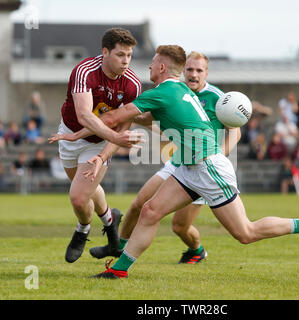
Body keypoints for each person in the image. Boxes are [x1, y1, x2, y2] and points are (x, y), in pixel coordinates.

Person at [52, 45, 299, 280]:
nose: (148, 68)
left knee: (246, 233)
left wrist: (77, 130)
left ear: (162, 67)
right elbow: (135, 118)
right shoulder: (179, 91)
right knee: (150, 210)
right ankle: (119, 270)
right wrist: (97, 130)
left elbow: (115, 118)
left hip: (208, 166)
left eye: (152, 63)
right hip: (188, 167)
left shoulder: (164, 91)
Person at [58, 51, 241, 264]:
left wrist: (218, 155)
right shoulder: (176, 90)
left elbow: (235, 131)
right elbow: (149, 118)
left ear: (206, 73)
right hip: (178, 161)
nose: (193, 74)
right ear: (182, 71)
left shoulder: (217, 98)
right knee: (140, 205)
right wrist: (131, 113)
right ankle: (118, 247)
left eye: (198, 70)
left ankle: (196, 250)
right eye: (189, 69)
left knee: (179, 226)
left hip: (205, 165)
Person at [50, 28, 144, 263]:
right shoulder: (84, 71)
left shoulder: (132, 85)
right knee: (86, 188)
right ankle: (111, 220)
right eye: (120, 55)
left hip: (100, 141)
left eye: (129, 55)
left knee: (79, 198)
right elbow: (84, 116)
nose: (126, 61)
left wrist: (103, 154)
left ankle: (82, 230)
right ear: (105, 52)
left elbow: (123, 129)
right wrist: (116, 138)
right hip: (71, 133)